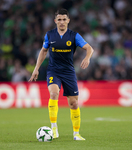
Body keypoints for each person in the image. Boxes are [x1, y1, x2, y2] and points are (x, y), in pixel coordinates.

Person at [29, 8, 94, 140]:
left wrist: (87, 58)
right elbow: (43, 51)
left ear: (68, 20)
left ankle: (76, 134)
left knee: (74, 104)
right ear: (55, 21)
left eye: (64, 19)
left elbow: (89, 48)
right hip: (54, 71)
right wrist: (36, 68)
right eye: (59, 19)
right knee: (53, 93)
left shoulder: (74, 36)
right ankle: (54, 128)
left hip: (69, 72)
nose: (62, 22)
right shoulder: (49, 35)